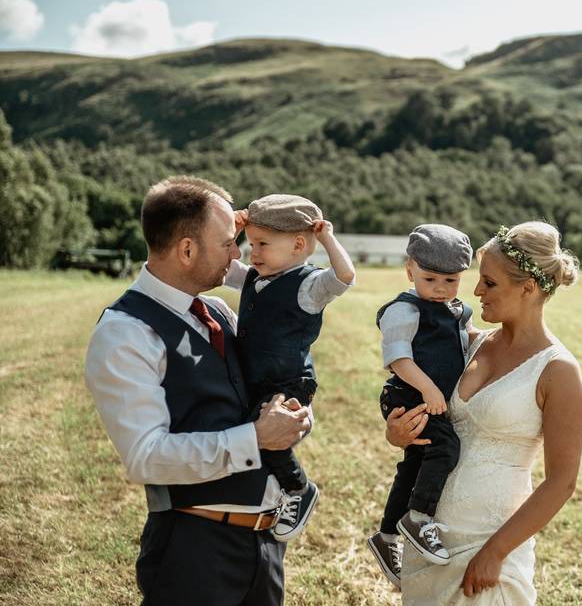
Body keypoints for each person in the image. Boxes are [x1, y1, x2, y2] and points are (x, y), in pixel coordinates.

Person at [85, 176, 311, 606]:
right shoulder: (125, 333)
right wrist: (257, 439)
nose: (238, 252)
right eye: (228, 241)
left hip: (264, 548)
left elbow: (257, 392)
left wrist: (294, 415)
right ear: (187, 250)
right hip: (194, 552)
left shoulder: (218, 311)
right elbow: (146, 458)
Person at [384, 222, 582, 604]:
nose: (476, 291)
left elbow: (561, 483)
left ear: (528, 287)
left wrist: (495, 552)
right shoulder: (470, 344)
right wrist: (400, 435)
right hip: (432, 538)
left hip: (490, 544)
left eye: (489, 283)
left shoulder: (559, 372)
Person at [227, 194, 356, 541]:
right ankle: (271, 490)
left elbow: (344, 276)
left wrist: (327, 237)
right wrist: (233, 232)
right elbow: (226, 267)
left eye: (262, 244)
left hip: (288, 381)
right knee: (254, 431)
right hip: (257, 377)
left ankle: (299, 489)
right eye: (251, 244)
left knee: (268, 432)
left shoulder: (308, 286)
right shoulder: (255, 276)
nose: (253, 253)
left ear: (299, 244)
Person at [366, 224, 477, 589]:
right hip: (410, 397)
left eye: (451, 280)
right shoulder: (405, 310)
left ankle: (386, 537)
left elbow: (462, 341)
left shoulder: (454, 310)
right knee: (446, 447)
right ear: (410, 269)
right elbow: (399, 358)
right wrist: (430, 389)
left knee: (414, 464)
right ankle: (419, 517)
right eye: (430, 279)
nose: (440, 289)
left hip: (429, 399)